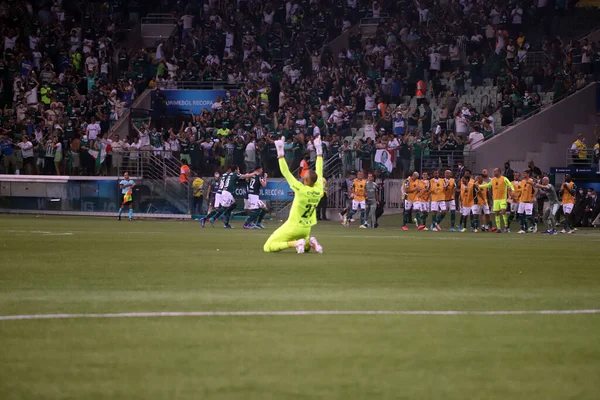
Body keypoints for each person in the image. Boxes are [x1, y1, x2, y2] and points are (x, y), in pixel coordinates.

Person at [263, 136, 324, 254]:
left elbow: (285, 172)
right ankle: (309, 242)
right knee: (305, 247)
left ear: (305, 180)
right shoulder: (319, 189)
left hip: (293, 226)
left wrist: (280, 152)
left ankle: (295, 243)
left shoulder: (300, 189)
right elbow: (319, 171)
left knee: (268, 246)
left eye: (304, 176)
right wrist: (319, 151)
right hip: (306, 228)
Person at [476, 168, 515, 233]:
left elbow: (510, 184)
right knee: (496, 213)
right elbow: (488, 185)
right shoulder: (493, 179)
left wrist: (513, 190)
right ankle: (499, 228)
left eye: (495, 171)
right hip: (496, 199)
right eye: (494, 171)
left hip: (502, 198)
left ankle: (506, 226)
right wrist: (479, 186)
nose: (494, 172)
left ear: (499, 172)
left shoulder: (504, 178)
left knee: (503, 211)